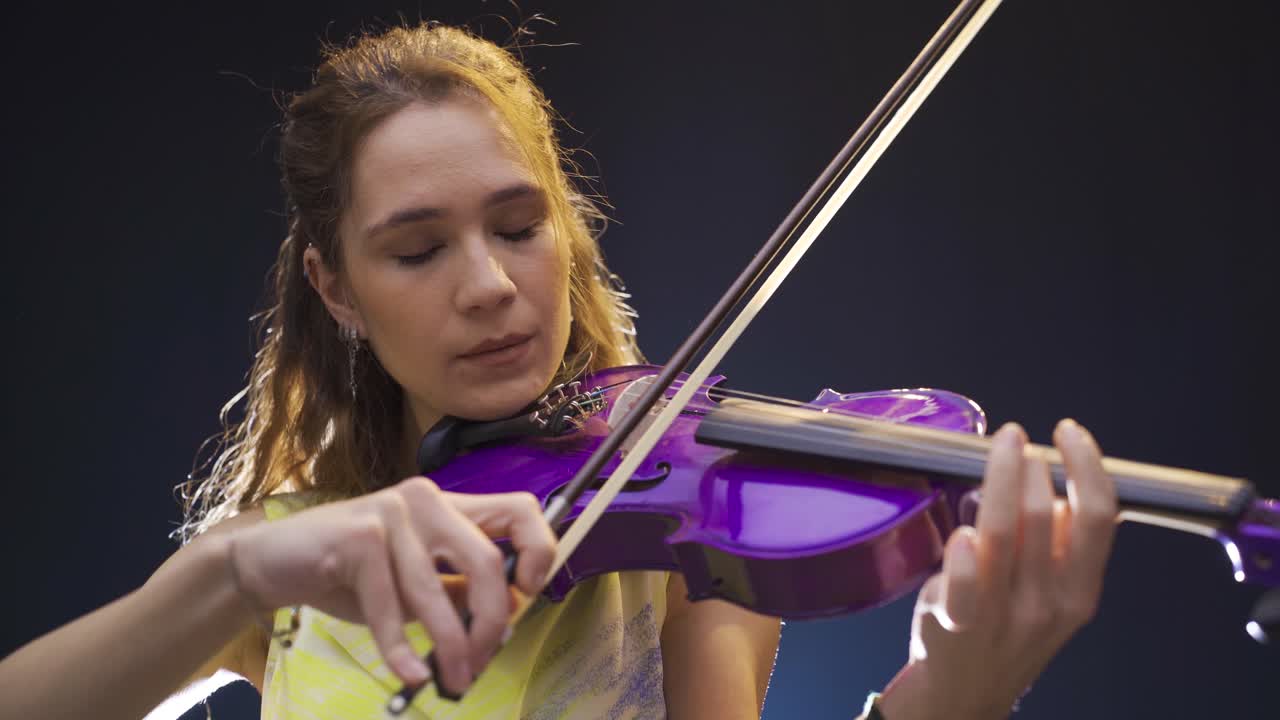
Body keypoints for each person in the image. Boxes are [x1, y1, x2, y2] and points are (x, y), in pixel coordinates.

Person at [0, 21, 1117, 720]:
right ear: (335, 287)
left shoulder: (684, 554)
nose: (487, 285)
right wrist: (234, 574)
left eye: (518, 225)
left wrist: (951, 700)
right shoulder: (285, 560)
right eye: (418, 248)